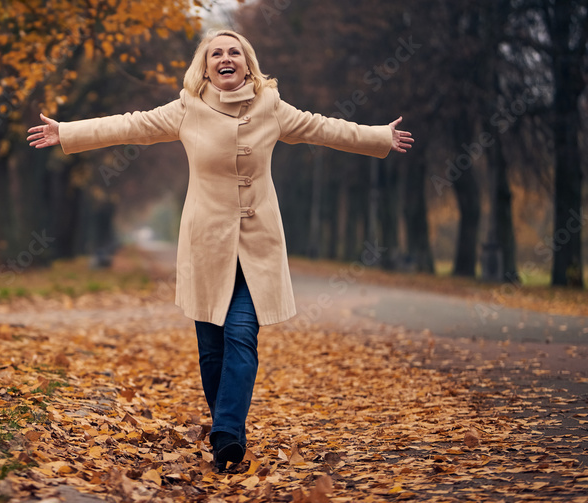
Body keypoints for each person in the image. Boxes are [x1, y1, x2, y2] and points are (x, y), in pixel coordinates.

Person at [26, 29, 413, 471]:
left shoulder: (272, 107)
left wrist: (379, 136)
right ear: (205, 66)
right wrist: (68, 132)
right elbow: (130, 123)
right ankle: (224, 425)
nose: (226, 58)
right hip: (206, 244)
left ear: (248, 63)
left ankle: (228, 433)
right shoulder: (187, 109)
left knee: (240, 334)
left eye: (235, 52)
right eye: (216, 54)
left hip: (258, 245)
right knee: (211, 350)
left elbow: (323, 128)